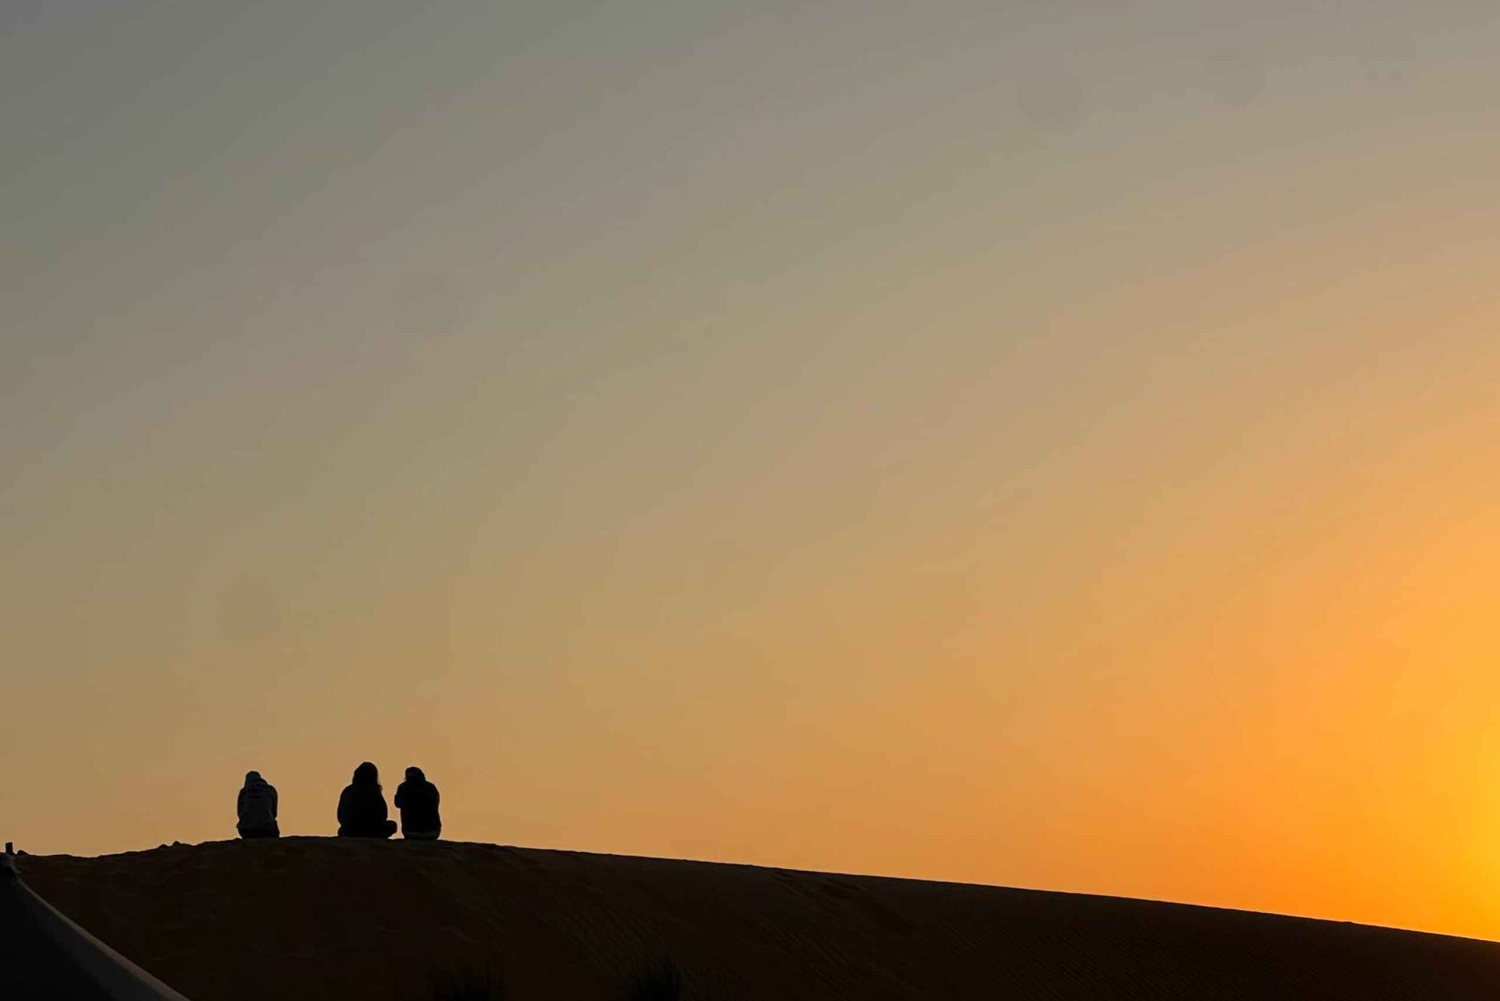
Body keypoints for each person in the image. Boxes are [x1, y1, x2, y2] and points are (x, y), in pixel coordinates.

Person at [336, 761, 398, 838]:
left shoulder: (347, 790)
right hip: (370, 831)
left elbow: (339, 815)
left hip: (349, 831)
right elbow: (383, 814)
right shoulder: (374, 791)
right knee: (392, 825)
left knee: (341, 830)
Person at [394, 766, 442, 840]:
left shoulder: (403, 788)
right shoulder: (431, 787)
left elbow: (397, 803)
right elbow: (436, 803)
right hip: (432, 832)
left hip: (411, 832)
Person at [237, 771, 280, 839]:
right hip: (267, 828)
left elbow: (239, 813)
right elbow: (274, 813)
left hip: (247, 830)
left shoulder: (243, 791)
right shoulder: (270, 789)